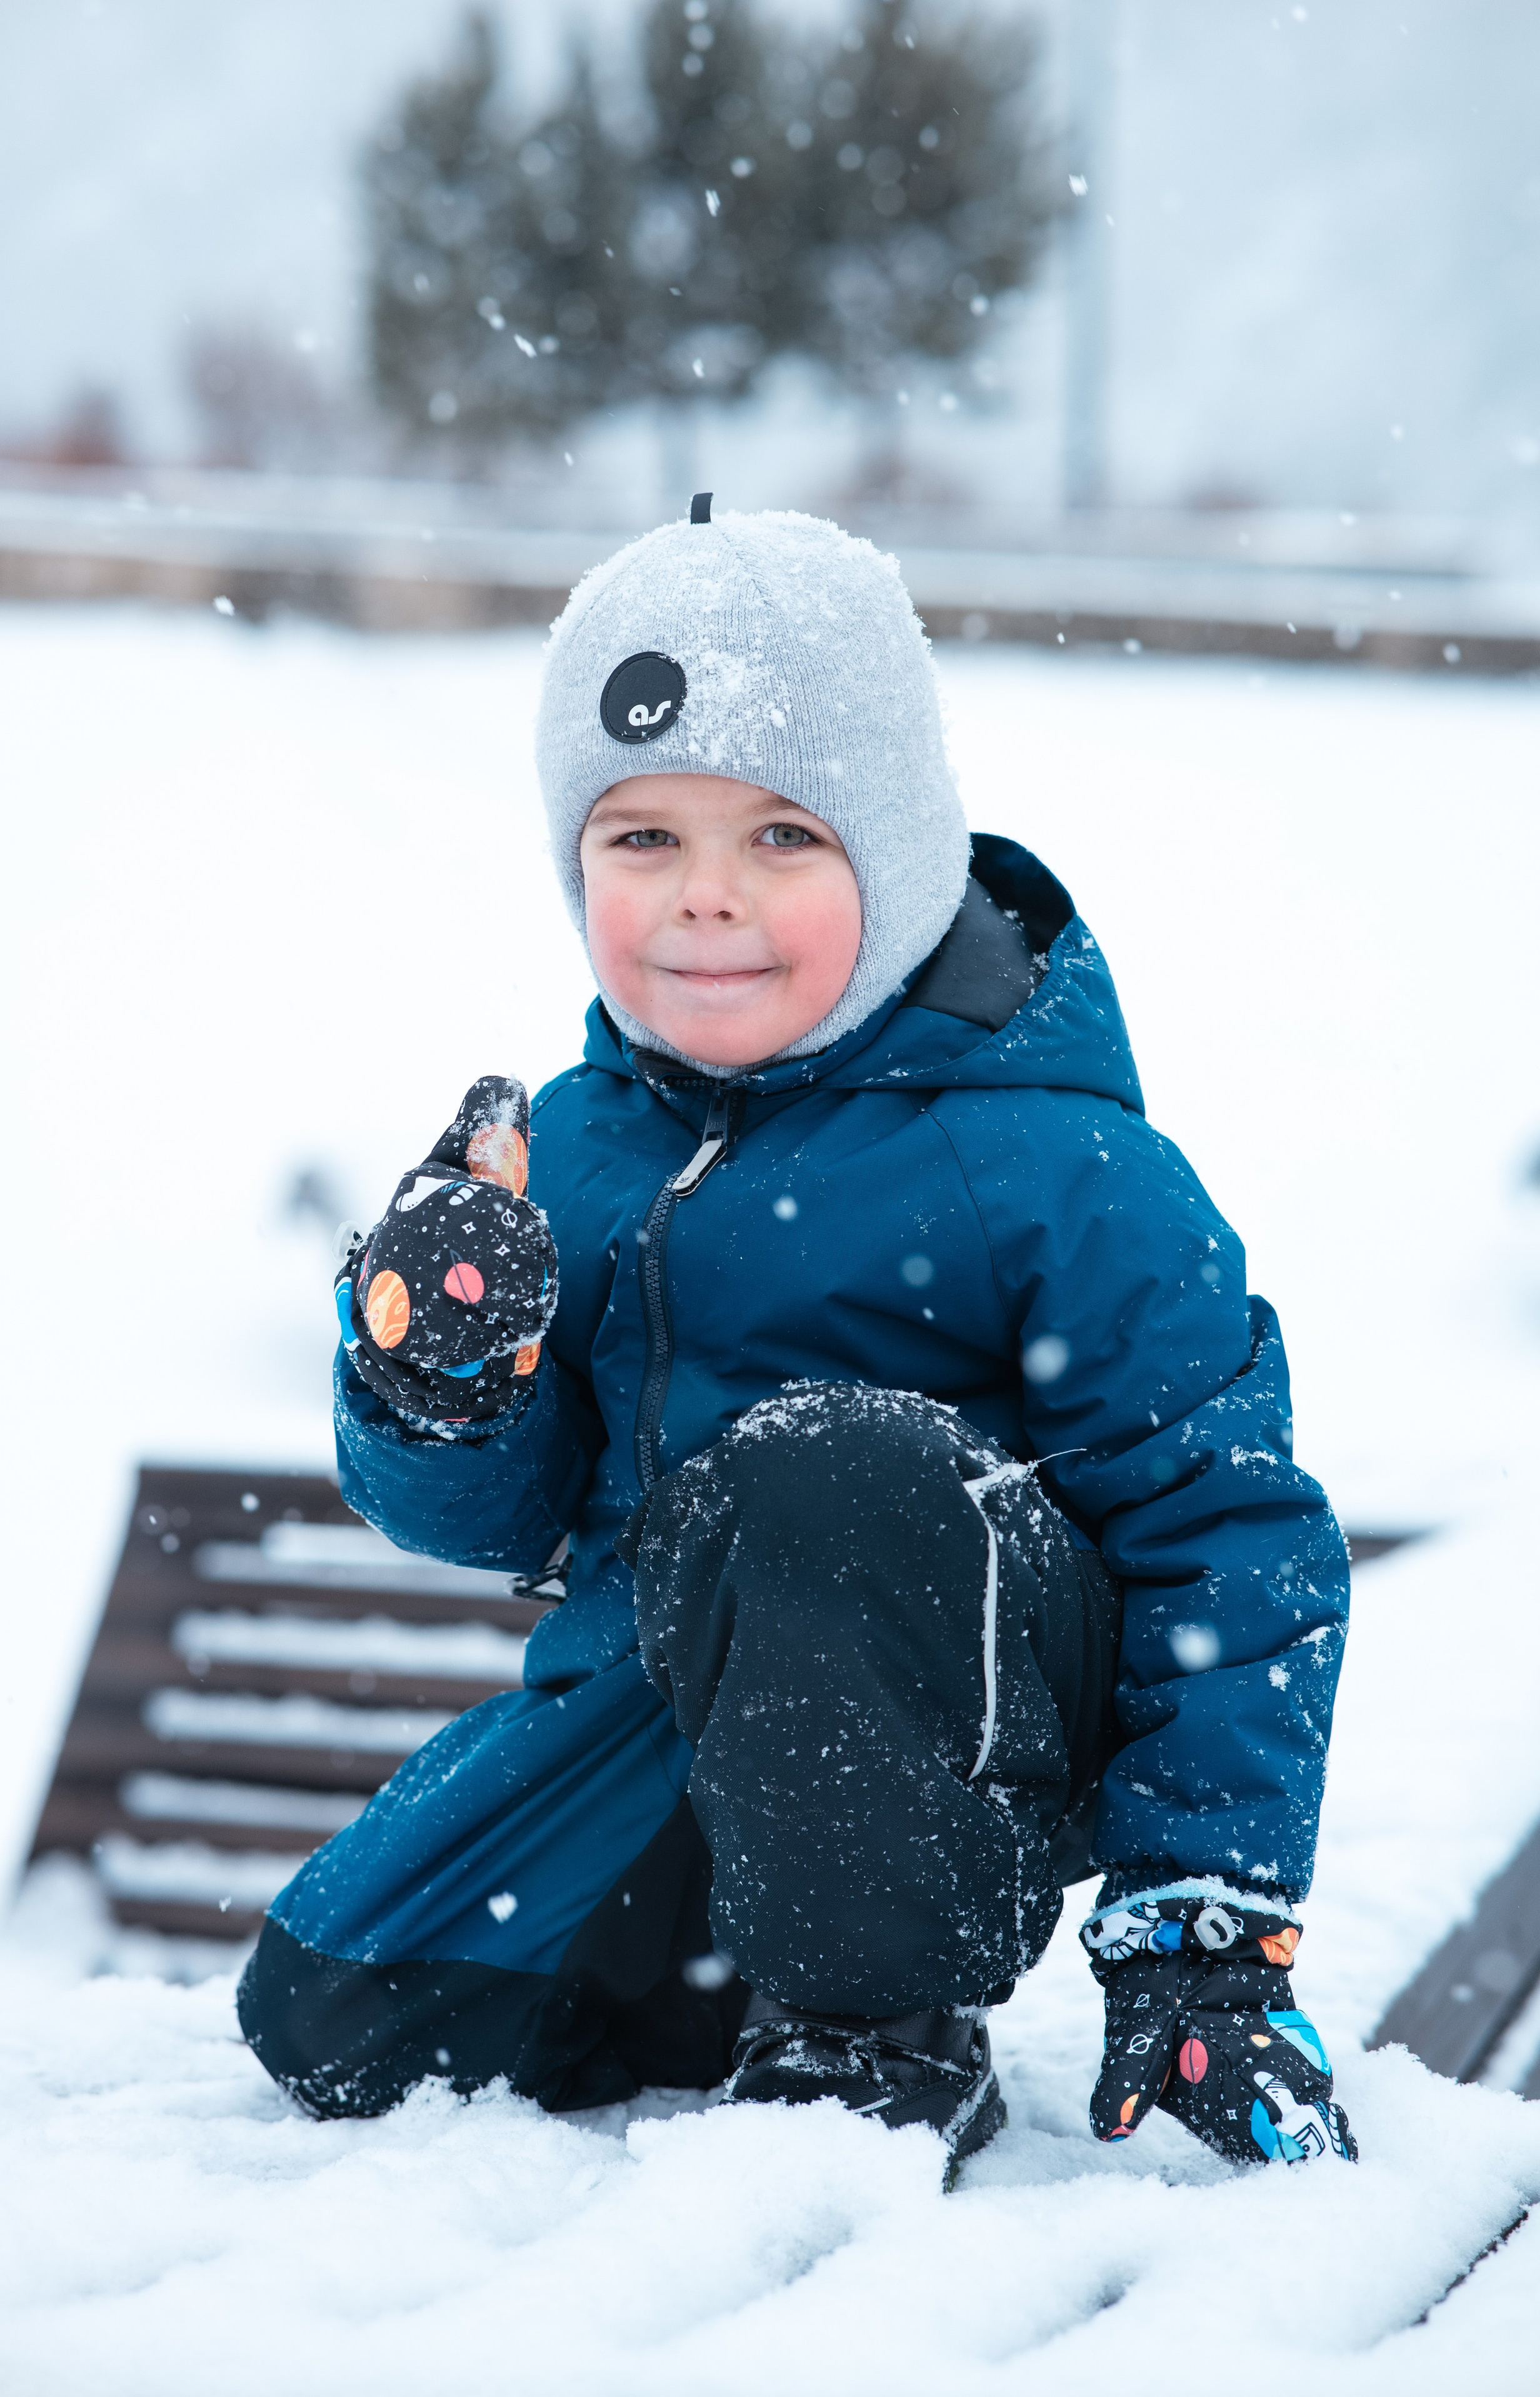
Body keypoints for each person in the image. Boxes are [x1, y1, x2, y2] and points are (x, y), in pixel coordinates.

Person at [237, 503, 1357, 2175]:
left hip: (949, 1756)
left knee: (821, 1471)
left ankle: (871, 2018)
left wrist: (1205, 1922)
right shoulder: (583, 1141)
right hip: (668, 1713)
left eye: (778, 838)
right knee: (336, 2013)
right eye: (642, 842)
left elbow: (1229, 1533)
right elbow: (497, 1521)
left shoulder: (1055, 1163)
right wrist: (444, 1377)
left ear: (894, 855)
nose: (705, 901)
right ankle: (715, 1986)